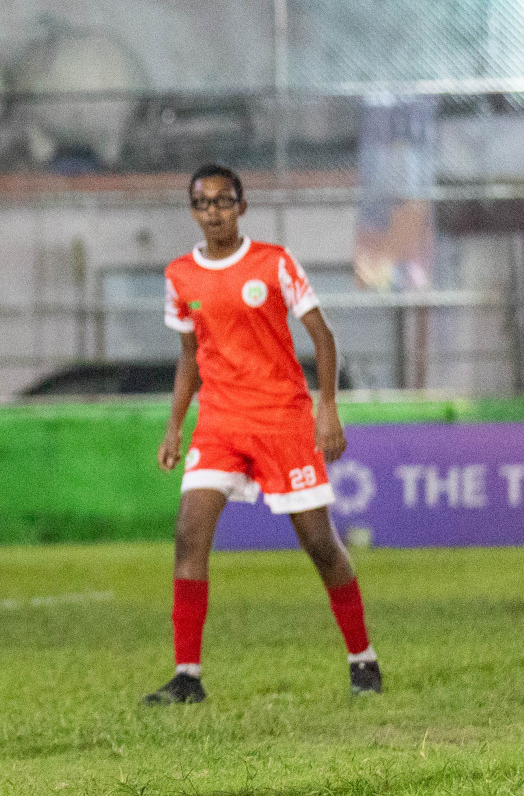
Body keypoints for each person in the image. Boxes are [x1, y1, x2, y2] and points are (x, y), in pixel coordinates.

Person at [148, 163, 381, 705]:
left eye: (224, 201)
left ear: (242, 206)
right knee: (189, 535)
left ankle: (362, 659)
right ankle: (187, 676)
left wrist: (327, 409)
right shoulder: (179, 275)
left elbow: (323, 338)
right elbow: (189, 357)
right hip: (221, 422)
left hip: (281, 418)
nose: (214, 212)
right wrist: (174, 426)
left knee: (320, 544)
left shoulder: (273, 262)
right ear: (192, 211)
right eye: (203, 203)